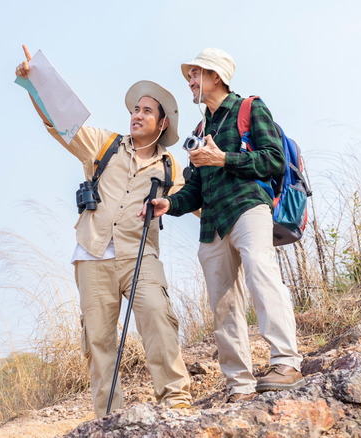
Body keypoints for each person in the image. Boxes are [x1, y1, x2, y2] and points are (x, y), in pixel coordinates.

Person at [14, 45, 192, 417]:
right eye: (135, 109)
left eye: (146, 111)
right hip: (92, 254)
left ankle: (176, 403)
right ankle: (109, 418)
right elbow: (60, 122)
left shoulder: (170, 166)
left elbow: (194, 199)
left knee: (158, 316)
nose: (137, 116)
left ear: (162, 124)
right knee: (97, 340)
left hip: (140, 257)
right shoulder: (103, 144)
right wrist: (36, 84)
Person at [142, 47, 304, 402]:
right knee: (223, 304)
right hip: (212, 224)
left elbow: (274, 160)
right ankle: (240, 385)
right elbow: (196, 190)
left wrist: (223, 158)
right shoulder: (202, 128)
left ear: (216, 76)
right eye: (189, 76)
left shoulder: (250, 108)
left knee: (262, 275)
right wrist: (170, 203)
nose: (190, 81)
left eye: (196, 74)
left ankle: (286, 362)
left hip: (248, 208)